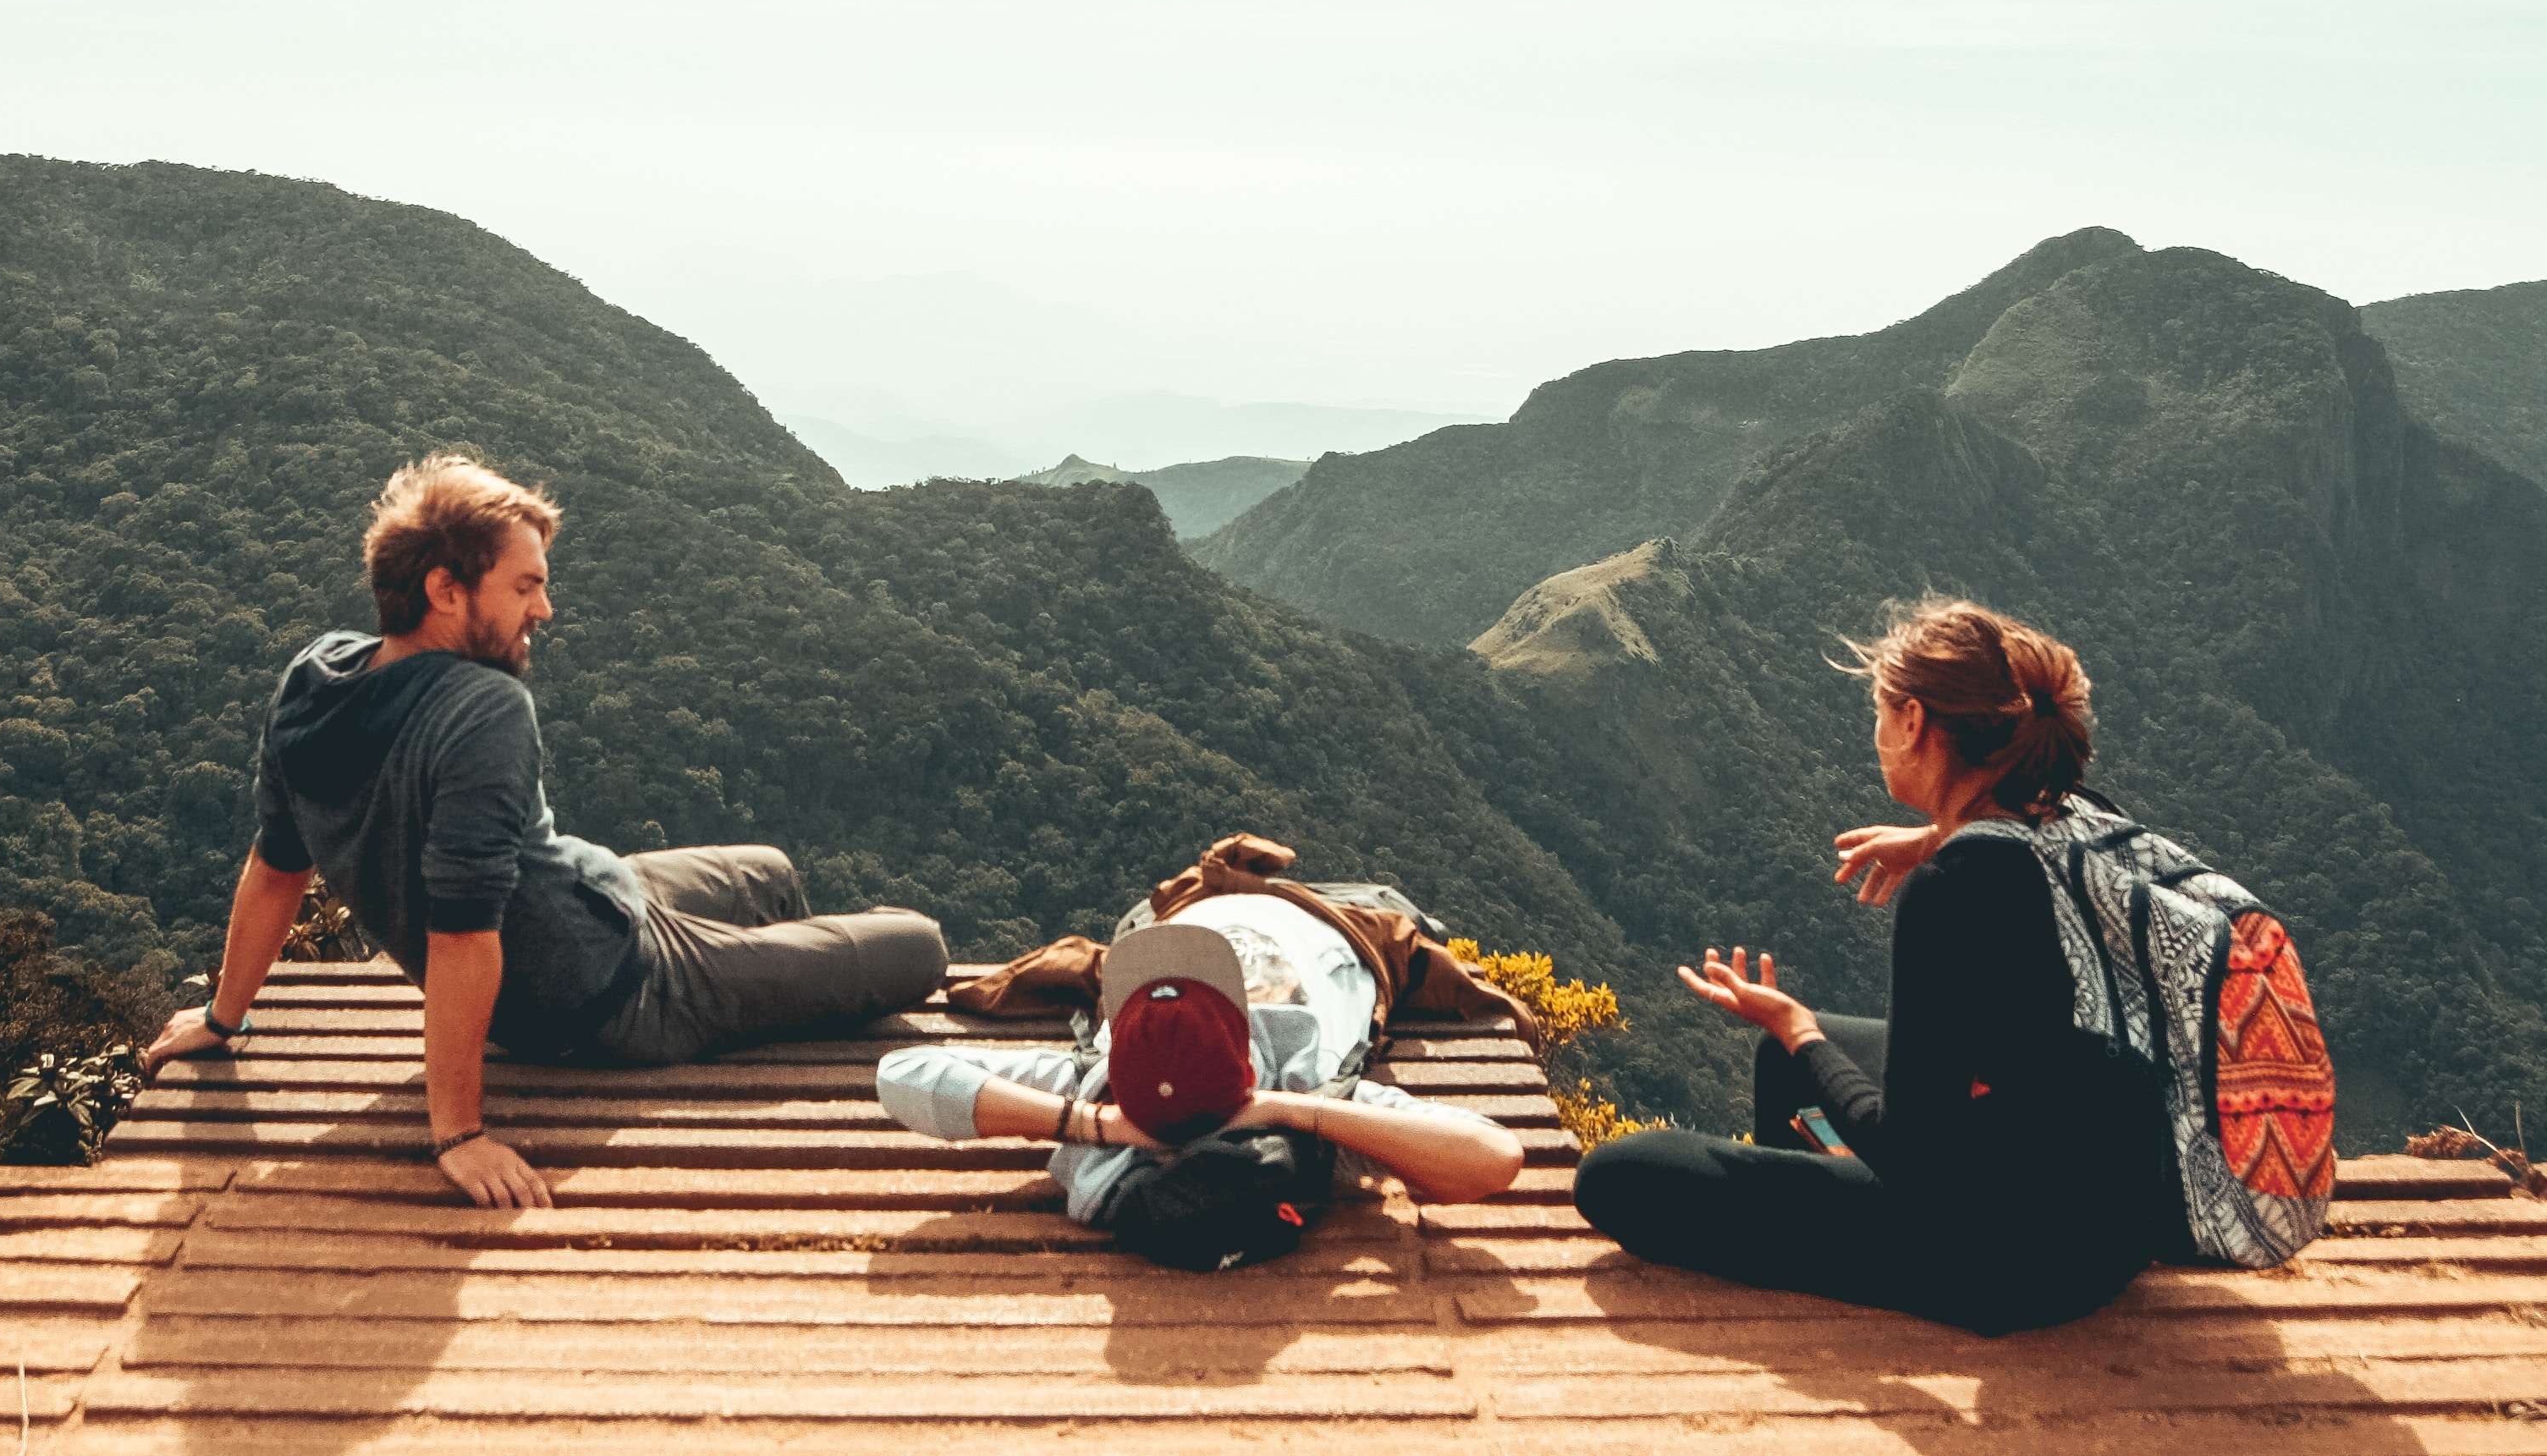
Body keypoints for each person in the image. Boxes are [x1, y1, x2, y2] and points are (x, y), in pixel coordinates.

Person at [140, 454, 949, 1208]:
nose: (545, 609)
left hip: (596, 893)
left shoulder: (315, 678)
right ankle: (767, 989)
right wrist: (458, 1133)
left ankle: (780, 978)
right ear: (446, 590)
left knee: (769, 869)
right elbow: (460, 933)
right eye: (525, 586)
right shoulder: (483, 709)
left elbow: (276, 864)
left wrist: (222, 1016)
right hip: (612, 990)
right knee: (919, 946)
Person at [1571, 597, 2191, 1335]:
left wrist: (1797, 1025)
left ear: (1914, 722)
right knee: (1779, 1056)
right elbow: (2018, 860)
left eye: (1879, 712)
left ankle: (1854, 1249)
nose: (1875, 733)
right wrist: (1936, 835)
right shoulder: (2078, 814)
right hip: (2116, 1219)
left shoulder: (1951, 892)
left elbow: (1916, 1160)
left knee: (1618, 1175)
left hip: (2013, 1265)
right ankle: (1830, 1229)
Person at [876, 882, 1527, 1229]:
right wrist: (1282, 1108)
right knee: (1402, 904)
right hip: (1339, 914)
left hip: (1173, 910)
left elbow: (900, 1074)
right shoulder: (1304, 1082)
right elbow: (1493, 1159)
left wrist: (1093, 1123)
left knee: (1145, 909)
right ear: (1247, 1046)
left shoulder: (1097, 1084)